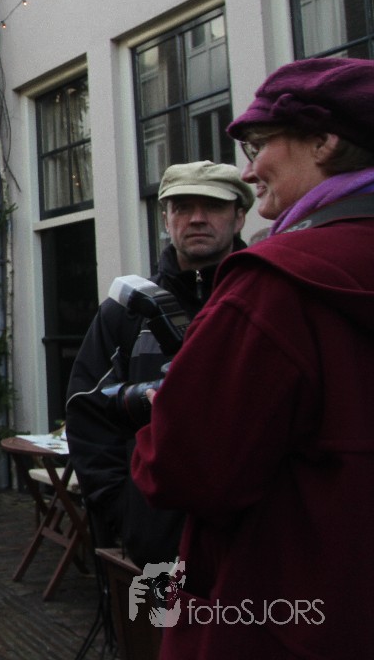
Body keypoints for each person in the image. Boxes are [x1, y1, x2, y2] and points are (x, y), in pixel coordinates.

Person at [133, 56, 374, 658]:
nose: (250, 168)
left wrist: (161, 415)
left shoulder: (273, 287)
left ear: (324, 141)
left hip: (283, 609)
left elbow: (182, 466)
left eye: (261, 143)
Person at [65, 160, 252, 568]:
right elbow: (87, 410)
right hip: (158, 547)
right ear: (166, 219)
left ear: (239, 217)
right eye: (182, 207)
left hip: (253, 541)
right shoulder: (125, 313)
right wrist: (126, 509)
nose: (197, 218)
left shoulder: (264, 304)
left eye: (213, 206)